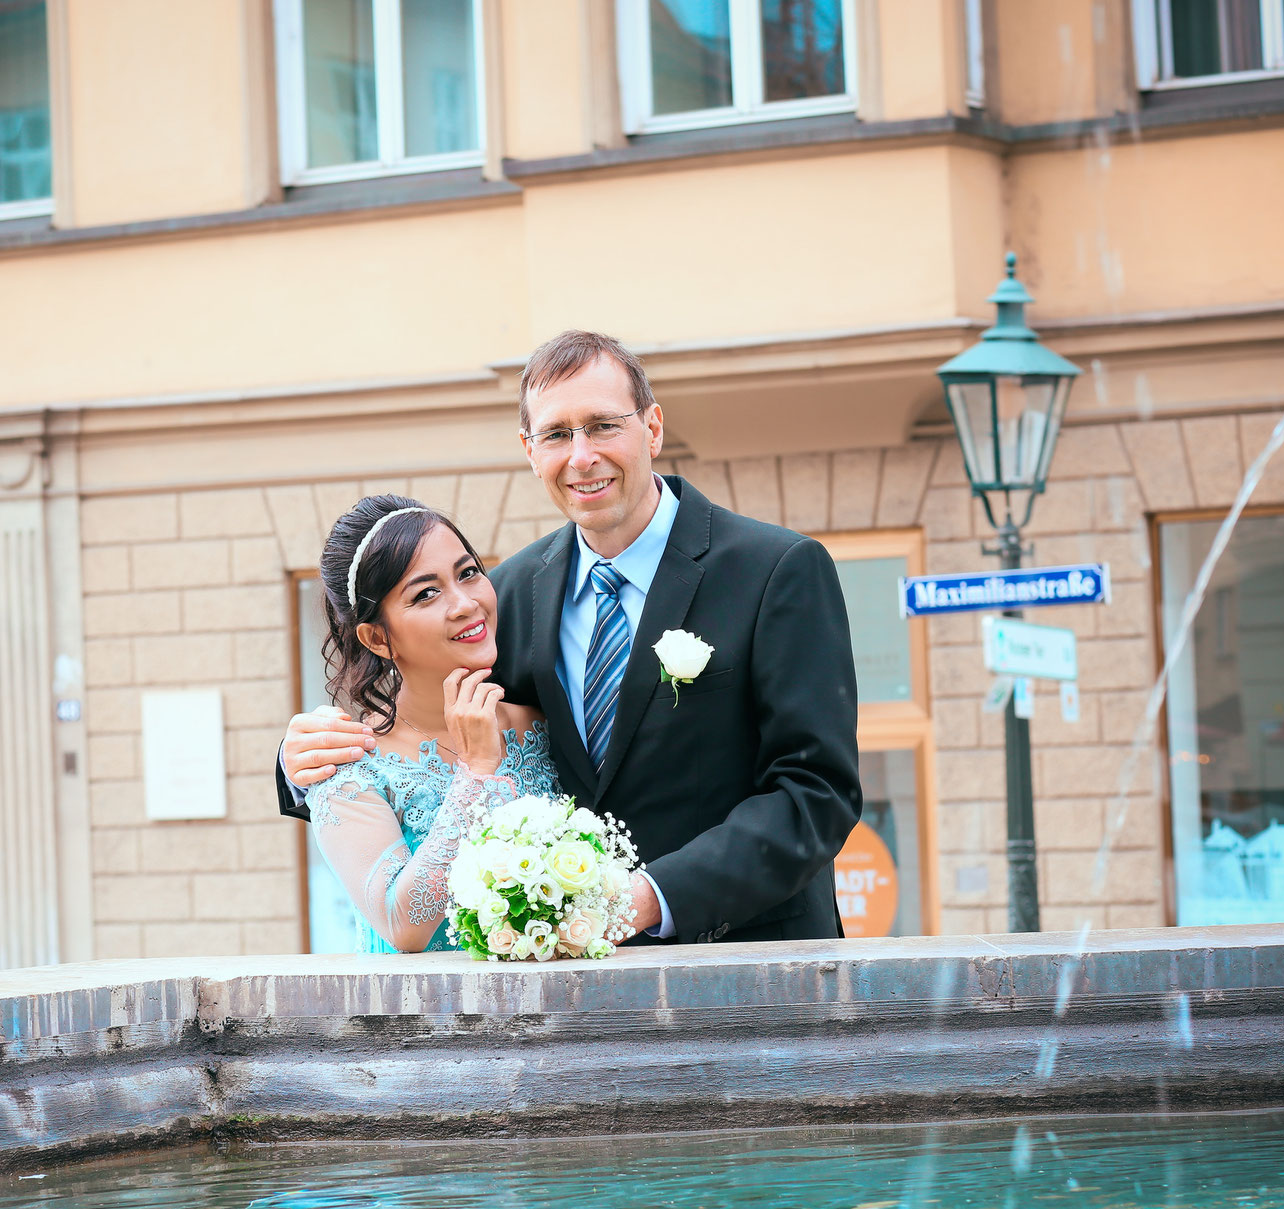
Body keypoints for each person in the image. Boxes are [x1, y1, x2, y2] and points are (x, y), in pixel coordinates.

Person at [281, 329, 861, 945]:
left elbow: (816, 791)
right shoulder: (511, 592)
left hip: (751, 961)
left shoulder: (777, 569)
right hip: (573, 998)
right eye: (557, 434)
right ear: (531, 451)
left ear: (653, 428)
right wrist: (300, 763)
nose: (581, 456)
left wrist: (644, 900)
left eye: (604, 425)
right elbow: (426, 717)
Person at [303, 494, 562, 952]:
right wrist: (478, 773)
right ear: (377, 637)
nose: (465, 604)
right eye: (426, 593)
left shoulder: (546, 722)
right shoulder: (351, 769)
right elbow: (405, 924)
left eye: (468, 573)